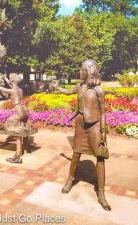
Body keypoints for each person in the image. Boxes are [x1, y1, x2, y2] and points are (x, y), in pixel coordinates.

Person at [51, 59, 111, 211]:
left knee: (100, 157)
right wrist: (57, 87)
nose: (79, 72)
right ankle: (70, 179)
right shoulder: (79, 86)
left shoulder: (98, 90)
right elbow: (67, 92)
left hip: (95, 126)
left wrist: (103, 132)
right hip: (80, 124)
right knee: (76, 153)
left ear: (89, 71)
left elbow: (103, 112)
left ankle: (101, 194)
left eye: (82, 69)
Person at [0, 73, 29, 163]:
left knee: (10, 125)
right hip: (25, 111)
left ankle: (17, 155)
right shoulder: (19, 90)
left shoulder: (12, 91)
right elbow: (11, 85)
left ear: (12, 81)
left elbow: (0, 88)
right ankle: (23, 149)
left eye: (10, 79)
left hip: (19, 113)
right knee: (20, 127)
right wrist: (5, 79)